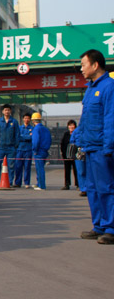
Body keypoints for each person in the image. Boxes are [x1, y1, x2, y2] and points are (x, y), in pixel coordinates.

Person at [77, 49, 114, 245]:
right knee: (92, 189)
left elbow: (110, 119)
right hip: (90, 147)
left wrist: (109, 147)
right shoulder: (90, 89)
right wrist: (79, 142)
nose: (81, 69)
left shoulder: (109, 87)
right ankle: (98, 225)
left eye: (83, 65)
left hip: (102, 148)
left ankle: (111, 228)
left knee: (106, 188)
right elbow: (85, 119)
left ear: (95, 65)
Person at [0, 104, 20, 188]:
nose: (7, 111)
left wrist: (16, 145)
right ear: (2, 111)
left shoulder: (14, 122)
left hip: (11, 147)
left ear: (10, 111)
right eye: (5, 110)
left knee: (11, 165)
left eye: (8, 110)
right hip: (0, 147)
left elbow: (17, 134)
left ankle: (9, 182)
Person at [31, 112, 51, 191]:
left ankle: (41, 185)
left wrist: (35, 150)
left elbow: (35, 141)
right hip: (44, 150)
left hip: (38, 151)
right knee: (40, 168)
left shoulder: (36, 129)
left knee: (39, 169)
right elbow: (49, 140)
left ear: (33, 121)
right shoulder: (45, 129)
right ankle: (39, 183)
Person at [14, 113, 33, 188]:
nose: (26, 120)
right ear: (23, 119)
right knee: (18, 167)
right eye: (25, 118)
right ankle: (17, 182)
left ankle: (27, 183)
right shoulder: (19, 128)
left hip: (28, 150)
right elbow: (18, 137)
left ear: (30, 119)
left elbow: (31, 138)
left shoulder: (32, 128)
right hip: (19, 149)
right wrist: (27, 137)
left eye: (28, 118)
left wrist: (23, 137)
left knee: (27, 167)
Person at [60, 120, 79, 190]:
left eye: (72, 125)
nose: (71, 127)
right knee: (67, 170)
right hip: (67, 155)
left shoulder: (77, 134)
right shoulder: (66, 134)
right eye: (70, 125)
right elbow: (62, 144)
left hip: (75, 156)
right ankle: (67, 184)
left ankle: (78, 184)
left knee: (76, 170)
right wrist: (63, 153)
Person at [69, 126, 87, 196]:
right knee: (81, 171)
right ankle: (83, 189)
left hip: (86, 149)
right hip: (79, 151)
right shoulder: (77, 130)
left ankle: (86, 188)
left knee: (83, 171)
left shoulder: (87, 129)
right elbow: (72, 140)